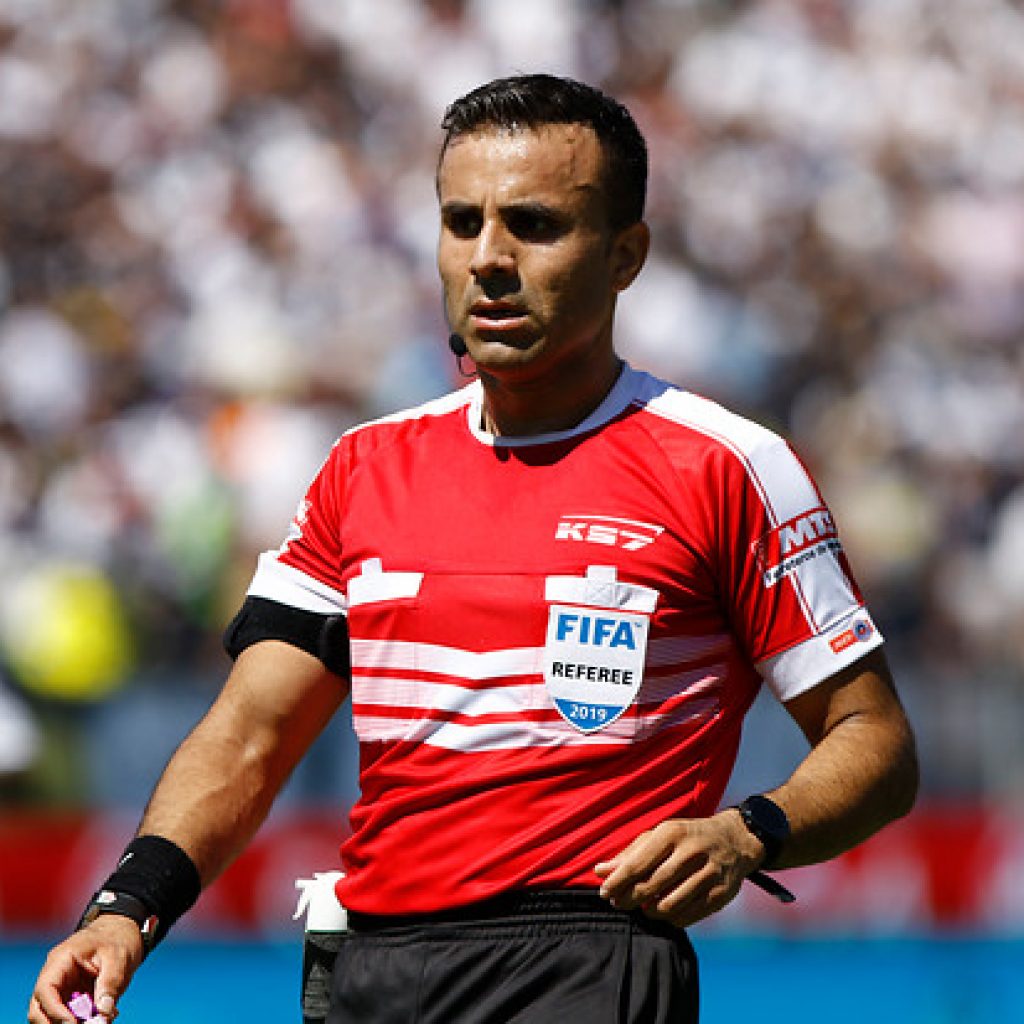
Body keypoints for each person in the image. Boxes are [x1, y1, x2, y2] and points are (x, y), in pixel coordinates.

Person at [29, 74, 918, 1024]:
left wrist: (749, 833)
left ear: (625, 255)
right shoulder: (362, 467)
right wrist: (125, 908)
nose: (489, 258)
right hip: (373, 971)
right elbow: (250, 733)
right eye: (462, 223)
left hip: (587, 961)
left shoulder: (729, 465)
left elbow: (875, 739)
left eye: (534, 226)